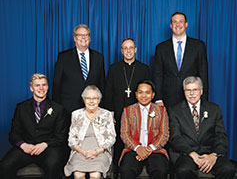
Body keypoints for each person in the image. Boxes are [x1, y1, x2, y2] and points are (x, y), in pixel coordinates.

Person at [0, 73, 67, 179]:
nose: (41, 88)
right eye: (37, 85)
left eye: (44, 85)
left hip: (48, 148)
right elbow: (13, 134)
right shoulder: (21, 108)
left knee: (53, 165)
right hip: (26, 148)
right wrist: (23, 145)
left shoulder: (58, 109)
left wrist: (45, 144)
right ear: (31, 88)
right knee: (5, 166)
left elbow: (61, 136)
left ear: (48, 87)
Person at [168, 76, 235, 179]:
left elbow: (221, 136)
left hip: (210, 152)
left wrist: (214, 155)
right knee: (183, 170)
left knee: (228, 169)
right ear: (184, 92)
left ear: (201, 91)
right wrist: (191, 153)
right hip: (186, 154)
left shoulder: (214, 109)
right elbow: (175, 137)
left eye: (195, 90)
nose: (192, 93)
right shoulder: (174, 111)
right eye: (188, 90)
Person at [104, 38, 150, 172]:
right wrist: (110, 114)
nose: (128, 51)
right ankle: (119, 169)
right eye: (125, 48)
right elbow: (108, 92)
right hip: (118, 110)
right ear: (121, 51)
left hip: (138, 112)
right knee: (119, 139)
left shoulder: (144, 68)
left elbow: (149, 91)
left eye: (131, 48)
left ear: (135, 49)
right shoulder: (114, 68)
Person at [152, 12, 208, 110]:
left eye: (181, 22)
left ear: (186, 24)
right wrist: (158, 98)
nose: (178, 25)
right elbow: (157, 74)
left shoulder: (198, 46)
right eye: (175, 22)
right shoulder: (161, 48)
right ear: (171, 25)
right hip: (167, 100)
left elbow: (203, 73)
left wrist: (203, 99)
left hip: (192, 97)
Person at [52, 24, 105, 120]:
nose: (83, 37)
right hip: (68, 109)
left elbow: (101, 84)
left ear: (90, 38)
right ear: (75, 38)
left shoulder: (98, 57)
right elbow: (56, 84)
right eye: (80, 35)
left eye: (86, 35)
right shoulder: (63, 57)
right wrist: (58, 108)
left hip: (92, 109)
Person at [119, 80, 169, 179]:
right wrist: (138, 148)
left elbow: (164, 134)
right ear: (136, 94)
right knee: (127, 169)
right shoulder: (128, 110)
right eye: (140, 92)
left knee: (160, 170)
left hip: (155, 149)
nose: (144, 96)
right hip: (133, 149)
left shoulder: (161, 110)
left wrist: (150, 148)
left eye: (147, 92)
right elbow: (124, 134)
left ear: (153, 95)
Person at [64, 85, 116, 179]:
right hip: (80, 152)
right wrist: (83, 152)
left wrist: (97, 151)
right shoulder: (76, 114)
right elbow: (71, 139)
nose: (91, 101)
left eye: (95, 98)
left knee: (95, 175)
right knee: (78, 175)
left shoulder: (106, 114)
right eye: (88, 98)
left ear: (99, 100)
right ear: (84, 99)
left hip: (101, 153)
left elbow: (112, 138)